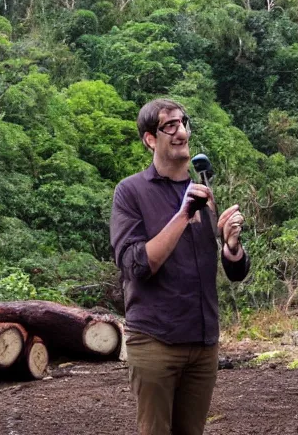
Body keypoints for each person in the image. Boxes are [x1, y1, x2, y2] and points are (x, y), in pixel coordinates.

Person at [110, 98, 250, 435]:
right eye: (169, 125)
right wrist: (183, 215)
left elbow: (234, 271)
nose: (181, 131)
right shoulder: (130, 193)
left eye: (183, 122)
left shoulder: (204, 192)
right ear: (150, 139)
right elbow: (137, 266)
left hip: (203, 344)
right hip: (155, 341)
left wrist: (232, 247)